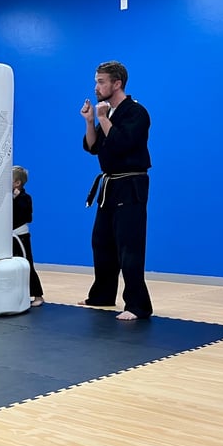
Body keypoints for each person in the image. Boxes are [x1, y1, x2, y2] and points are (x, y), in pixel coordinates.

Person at [79, 60, 153, 321]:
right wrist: (91, 121)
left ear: (117, 83)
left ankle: (137, 305)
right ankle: (102, 295)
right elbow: (94, 147)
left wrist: (102, 118)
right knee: (102, 241)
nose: (96, 87)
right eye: (96, 82)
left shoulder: (136, 112)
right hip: (109, 185)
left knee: (129, 245)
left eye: (101, 82)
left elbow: (122, 143)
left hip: (131, 184)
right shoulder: (107, 113)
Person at [12, 165, 44, 307]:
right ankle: (17, 293)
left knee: (27, 265)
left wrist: (16, 200)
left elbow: (27, 217)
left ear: (17, 183)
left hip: (21, 236)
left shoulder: (25, 198)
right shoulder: (7, 197)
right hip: (10, 236)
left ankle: (38, 295)